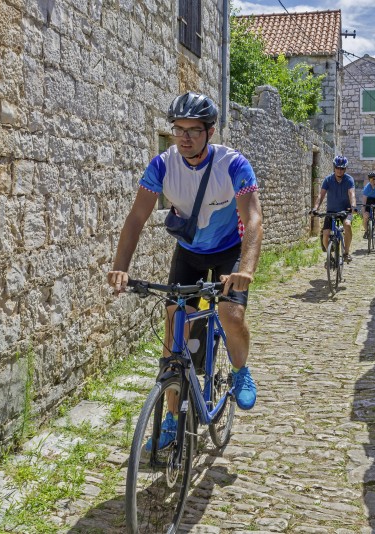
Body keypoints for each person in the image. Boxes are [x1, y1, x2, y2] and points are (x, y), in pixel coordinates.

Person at [107, 92, 263, 448]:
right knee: (176, 327)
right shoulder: (162, 166)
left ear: (210, 132)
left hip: (229, 253)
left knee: (230, 313)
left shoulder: (234, 165)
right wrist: (120, 268)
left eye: (193, 130)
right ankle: (172, 419)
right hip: (190, 252)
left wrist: (247, 270)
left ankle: (240, 372)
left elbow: (253, 219)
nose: (184, 137)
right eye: (178, 129)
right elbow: (136, 218)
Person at [312, 155, 357, 262]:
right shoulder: (328, 180)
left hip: (345, 210)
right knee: (325, 234)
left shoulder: (349, 179)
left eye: (342, 168)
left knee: (347, 225)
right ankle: (330, 257)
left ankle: (346, 253)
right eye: (337, 167)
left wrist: (353, 207)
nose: (339, 170)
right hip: (331, 211)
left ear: (345, 169)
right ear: (334, 167)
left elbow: (352, 194)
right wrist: (315, 208)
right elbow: (321, 195)